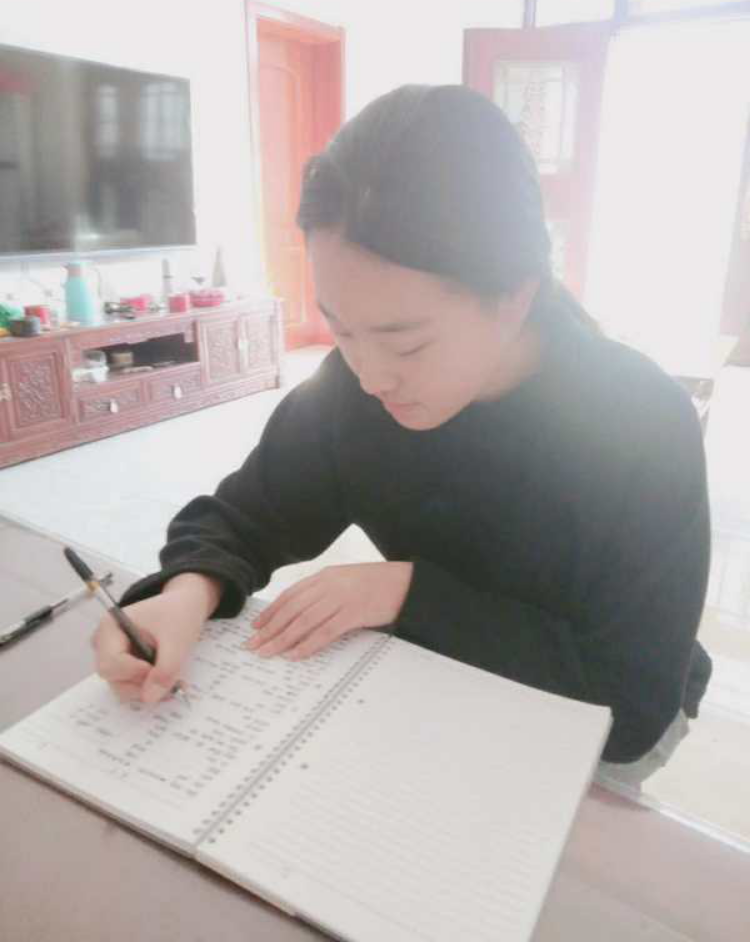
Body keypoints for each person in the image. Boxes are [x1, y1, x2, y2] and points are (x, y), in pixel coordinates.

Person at [92, 83, 712, 789]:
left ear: (515, 295)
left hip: (589, 722)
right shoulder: (351, 390)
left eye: (406, 343)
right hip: (442, 673)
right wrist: (185, 594)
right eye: (342, 329)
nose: (370, 376)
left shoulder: (641, 422)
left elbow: (630, 706)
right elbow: (244, 516)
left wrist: (407, 593)